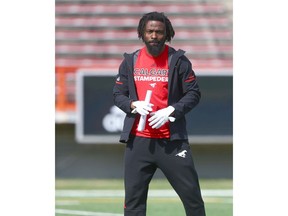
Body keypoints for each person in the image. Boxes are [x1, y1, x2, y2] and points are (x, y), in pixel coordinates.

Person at [113, 11, 206, 216]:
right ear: (142, 33)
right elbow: (118, 94)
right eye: (150, 31)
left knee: (193, 200)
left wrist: (172, 110)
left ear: (167, 34)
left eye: (159, 32)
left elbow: (193, 93)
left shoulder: (179, 61)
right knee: (133, 204)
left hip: (171, 143)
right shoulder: (130, 61)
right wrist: (133, 105)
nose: (154, 36)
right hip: (138, 142)